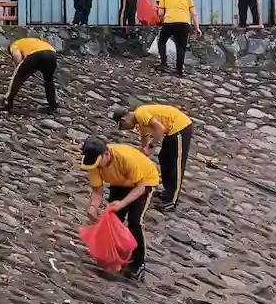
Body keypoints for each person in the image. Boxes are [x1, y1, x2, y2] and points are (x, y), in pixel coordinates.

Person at [80, 138, 160, 280]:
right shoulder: (95, 165)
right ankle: (115, 253)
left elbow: (140, 187)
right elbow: (97, 191)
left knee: (135, 221)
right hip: (119, 181)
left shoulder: (125, 159)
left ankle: (138, 263)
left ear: (106, 154)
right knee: (113, 218)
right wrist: (93, 207)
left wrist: (122, 203)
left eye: (99, 164)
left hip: (144, 182)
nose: (98, 168)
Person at [112, 104, 193, 212]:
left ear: (123, 120)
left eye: (122, 126)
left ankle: (172, 200)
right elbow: (143, 145)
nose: (125, 129)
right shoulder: (141, 124)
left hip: (180, 127)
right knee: (164, 157)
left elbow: (160, 129)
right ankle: (167, 192)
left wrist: (150, 146)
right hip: (171, 131)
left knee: (176, 163)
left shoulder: (140, 114)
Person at [155, 0, 200, 76]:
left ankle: (163, 63)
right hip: (184, 24)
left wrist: (162, 20)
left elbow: (160, 14)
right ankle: (179, 69)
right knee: (181, 47)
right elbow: (194, 14)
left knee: (162, 42)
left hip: (169, 23)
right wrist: (197, 28)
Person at [2, 37, 57, 113]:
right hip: (52, 54)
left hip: (36, 55)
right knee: (49, 80)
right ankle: (52, 106)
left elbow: (16, 55)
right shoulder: (32, 41)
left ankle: (8, 102)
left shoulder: (14, 44)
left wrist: (19, 66)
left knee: (19, 76)